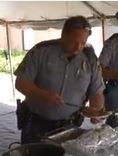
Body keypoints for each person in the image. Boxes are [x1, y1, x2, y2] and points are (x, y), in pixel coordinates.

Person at [14, 16, 105, 144]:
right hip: (37, 123)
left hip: (70, 126)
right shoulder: (41, 51)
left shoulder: (90, 59)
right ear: (64, 35)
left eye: (83, 43)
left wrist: (96, 111)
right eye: (74, 41)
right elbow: (21, 82)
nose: (78, 47)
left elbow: (96, 91)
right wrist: (42, 95)